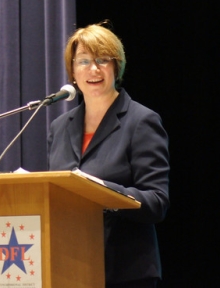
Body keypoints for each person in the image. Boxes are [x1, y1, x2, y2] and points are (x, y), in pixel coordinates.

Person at [47, 22, 170, 288]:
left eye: (103, 60)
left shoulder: (141, 121)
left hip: (125, 273)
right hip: (68, 267)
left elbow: (157, 202)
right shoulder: (59, 128)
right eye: (83, 61)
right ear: (72, 71)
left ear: (117, 66)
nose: (93, 69)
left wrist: (102, 192)